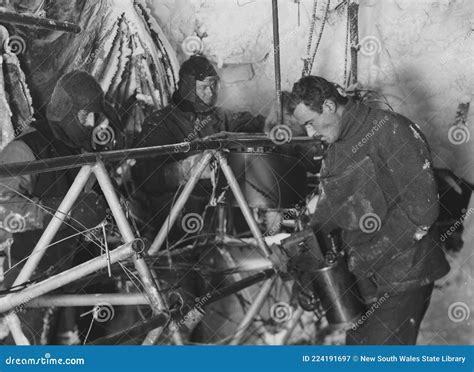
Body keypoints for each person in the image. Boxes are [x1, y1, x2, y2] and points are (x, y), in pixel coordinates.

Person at [288, 75, 450, 345]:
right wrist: (307, 268)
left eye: (309, 122)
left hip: (404, 276)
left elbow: (423, 210)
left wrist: (367, 254)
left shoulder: (391, 129)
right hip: (366, 279)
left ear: (329, 106)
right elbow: (327, 215)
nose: (309, 133)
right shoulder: (336, 148)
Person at [0, 70, 118, 344]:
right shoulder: (24, 149)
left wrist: (104, 210)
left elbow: (88, 202)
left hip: (63, 267)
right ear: (66, 111)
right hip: (22, 273)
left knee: (66, 343)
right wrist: (65, 213)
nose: (91, 123)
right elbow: (3, 211)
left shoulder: (78, 150)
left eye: (94, 116)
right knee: (25, 346)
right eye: (84, 114)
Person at [132, 54, 266, 237]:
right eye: (203, 87)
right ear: (188, 88)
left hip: (222, 213)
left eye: (213, 85)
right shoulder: (160, 122)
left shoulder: (220, 116)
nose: (211, 93)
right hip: (179, 216)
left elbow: (254, 125)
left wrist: (277, 122)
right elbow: (145, 177)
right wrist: (188, 168)